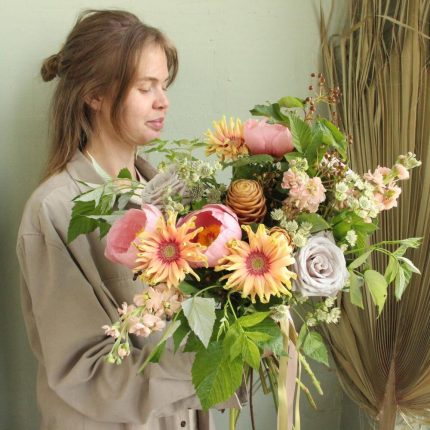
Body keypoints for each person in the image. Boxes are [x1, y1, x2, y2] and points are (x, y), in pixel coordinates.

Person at [16, 10, 242, 430]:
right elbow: (83, 372)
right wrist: (214, 370)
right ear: (95, 95)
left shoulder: (177, 197)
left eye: (164, 86)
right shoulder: (54, 211)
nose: (163, 101)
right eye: (145, 87)